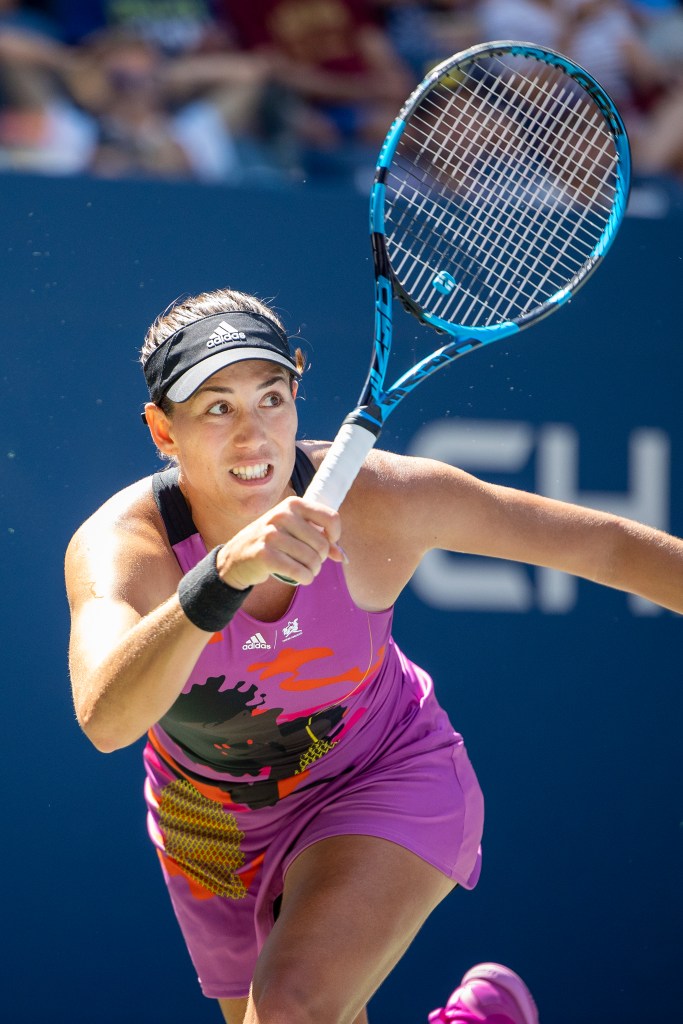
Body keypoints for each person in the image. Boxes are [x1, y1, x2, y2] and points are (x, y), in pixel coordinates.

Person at [65, 286, 683, 1024]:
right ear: (163, 429)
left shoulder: (381, 499)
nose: (252, 437)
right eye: (216, 408)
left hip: (380, 771)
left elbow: (603, 547)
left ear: (296, 388)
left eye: (270, 397)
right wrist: (223, 574)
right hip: (211, 827)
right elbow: (106, 720)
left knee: (292, 1009)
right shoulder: (122, 547)